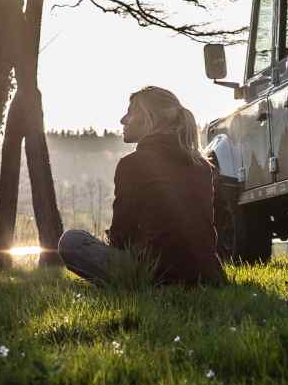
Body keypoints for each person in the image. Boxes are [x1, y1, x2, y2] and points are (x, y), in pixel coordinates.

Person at [57, 86, 226, 286]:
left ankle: (130, 283)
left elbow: (121, 238)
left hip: (157, 275)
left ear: (148, 118)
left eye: (129, 113)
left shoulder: (132, 164)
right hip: (206, 274)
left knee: (72, 241)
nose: (122, 120)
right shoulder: (202, 166)